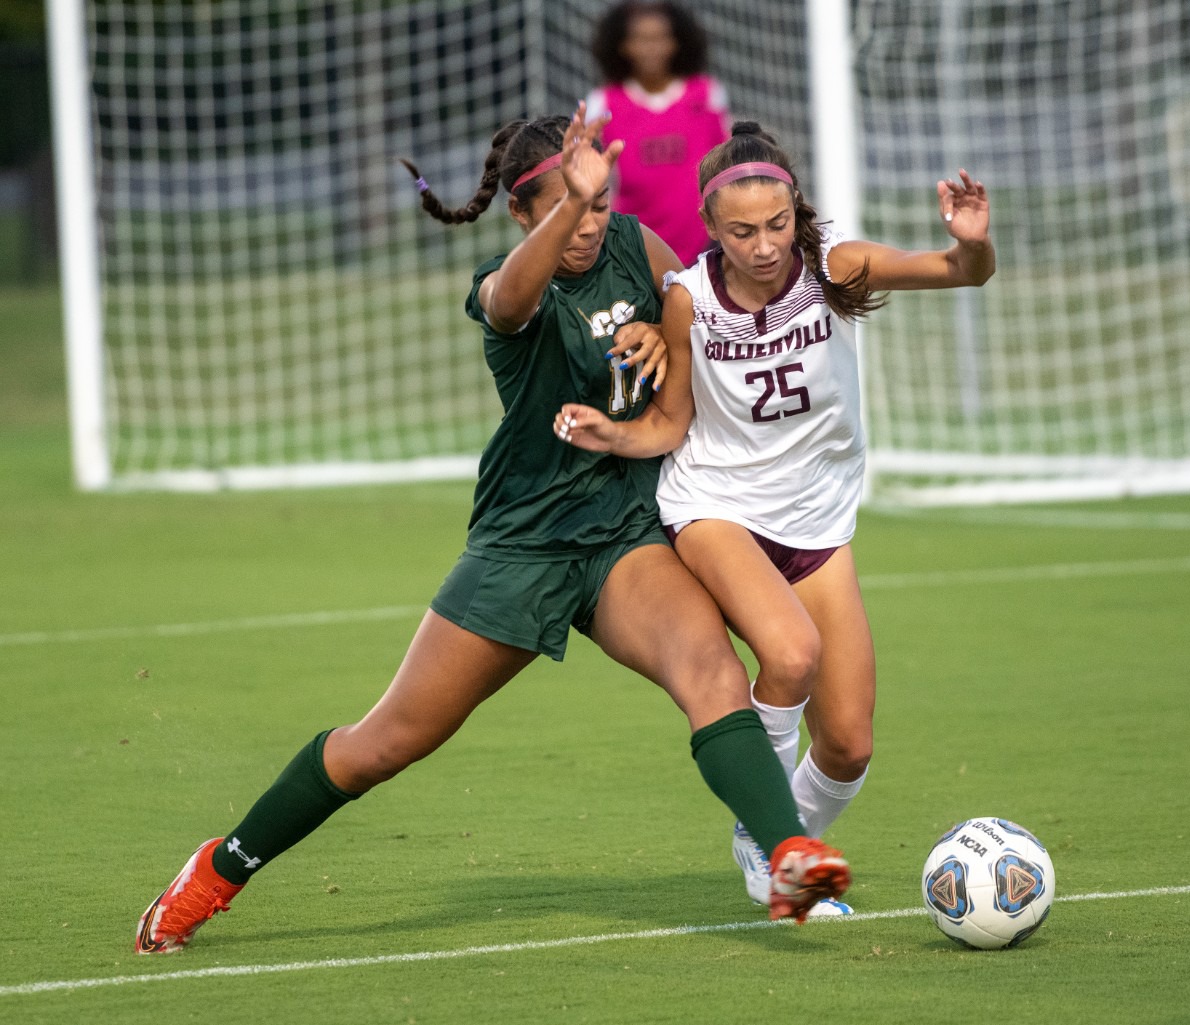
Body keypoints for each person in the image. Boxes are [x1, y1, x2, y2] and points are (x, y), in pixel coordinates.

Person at [134, 107, 852, 955]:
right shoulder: (503, 283)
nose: (589, 223)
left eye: (597, 203)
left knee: (712, 672)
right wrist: (563, 222)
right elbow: (510, 302)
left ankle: (786, 857)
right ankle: (219, 867)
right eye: (567, 207)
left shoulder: (634, 243)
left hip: (622, 534)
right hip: (521, 548)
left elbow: (685, 318)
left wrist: (661, 339)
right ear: (523, 213)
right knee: (383, 744)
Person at [554, 121, 994, 910]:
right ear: (711, 228)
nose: (764, 246)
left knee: (850, 743)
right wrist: (615, 433)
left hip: (819, 522)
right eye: (742, 231)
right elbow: (671, 423)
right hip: (717, 505)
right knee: (791, 654)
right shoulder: (688, 298)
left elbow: (961, 272)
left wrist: (970, 244)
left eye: (778, 224)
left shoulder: (835, 267)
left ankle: (782, 830)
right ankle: (773, 837)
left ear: (797, 209)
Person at [585, 1, 730, 266]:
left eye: (661, 38)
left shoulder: (706, 94)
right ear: (622, 45)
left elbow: (727, 165)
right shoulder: (603, 103)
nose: (651, 47)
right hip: (631, 247)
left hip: (705, 244)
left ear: (677, 42)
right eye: (640, 39)